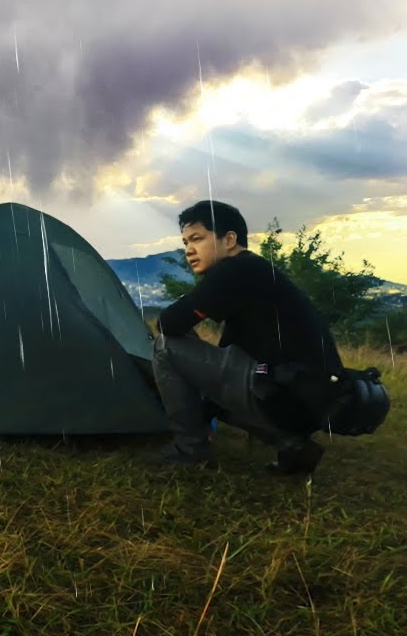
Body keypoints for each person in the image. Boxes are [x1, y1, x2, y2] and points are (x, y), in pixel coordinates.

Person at [145, 200, 345, 475]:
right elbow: (231, 350)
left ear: (229, 240)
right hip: (310, 400)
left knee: (165, 347)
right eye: (185, 242)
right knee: (212, 380)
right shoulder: (255, 271)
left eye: (197, 239)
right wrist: (206, 408)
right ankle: (292, 445)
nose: (189, 250)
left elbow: (166, 324)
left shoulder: (233, 271)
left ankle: (190, 451)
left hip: (290, 392)